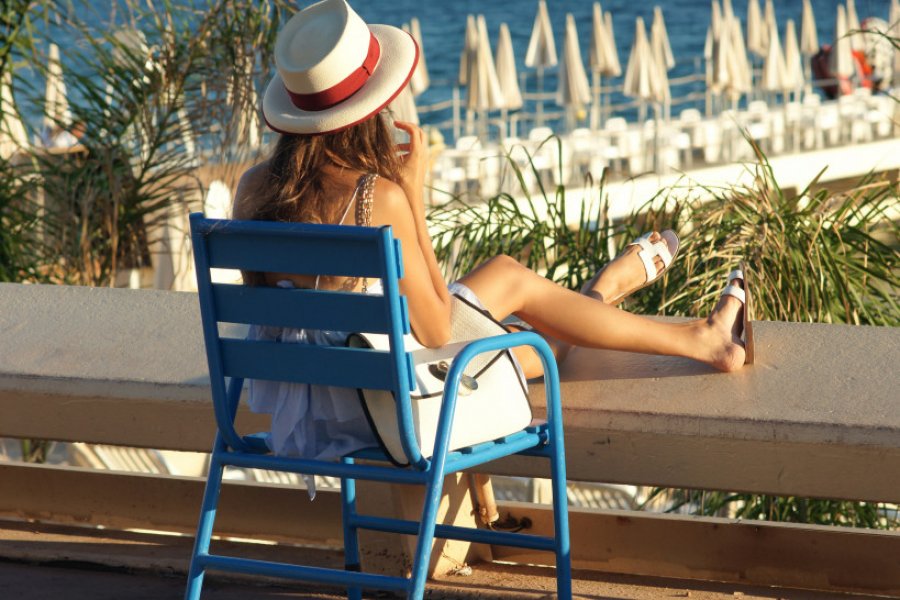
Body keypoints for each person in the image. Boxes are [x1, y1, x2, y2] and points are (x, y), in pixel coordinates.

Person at [233, 0, 750, 466]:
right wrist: (411, 196)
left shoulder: (252, 190)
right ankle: (644, 311)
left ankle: (610, 293)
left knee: (504, 275)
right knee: (544, 345)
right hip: (394, 406)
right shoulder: (376, 198)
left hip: (316, 399)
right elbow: (437, 330)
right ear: (372, 109)